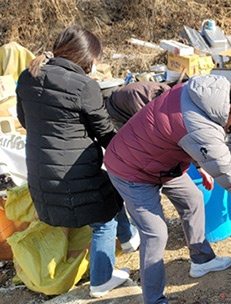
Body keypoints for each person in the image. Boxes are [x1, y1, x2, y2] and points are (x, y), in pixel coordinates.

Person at [104, 74, 231, 304]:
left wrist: (199, 164)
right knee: (155, 233)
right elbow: (226, 170)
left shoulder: (207, 93)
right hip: (130, 168)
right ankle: (154, 300)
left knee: (193, 198)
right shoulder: (201, 126)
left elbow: (182, 134)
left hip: (162, 163)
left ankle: (201, 260)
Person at [16, 25, 139, 298]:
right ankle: (101, 280)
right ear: (87, 59)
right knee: (103, 221)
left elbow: (25, 121)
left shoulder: (28, 76)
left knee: (108, 187)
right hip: (71, 177)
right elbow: (104, 132)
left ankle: (129, 240)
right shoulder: (83, 86)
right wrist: (133, 152)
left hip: (39, 174)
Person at [105, 81, 171, 128]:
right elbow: (147, 124)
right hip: (115, 109)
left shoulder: (167, 90)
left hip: (128, 97)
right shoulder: (139, 100)